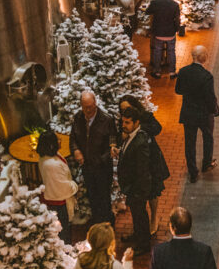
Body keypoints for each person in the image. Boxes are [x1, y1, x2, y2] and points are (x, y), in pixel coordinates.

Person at [119, 95, 168, 234]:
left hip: (150, 157)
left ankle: (154, 218)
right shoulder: (124, 121)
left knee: (153, 191)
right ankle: (141, 227)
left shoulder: (143, 117)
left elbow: (157, 128)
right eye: (122, 110)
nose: (124, 112)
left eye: (127, 108)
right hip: (134, 159)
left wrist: (138, 128)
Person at [69, 90, 118, 226]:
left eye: (90, 106)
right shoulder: (78, 117)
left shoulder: (107, 120)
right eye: (85, 107)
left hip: (102, 168)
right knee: (92, 196)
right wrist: (76, 150)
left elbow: (113, 144)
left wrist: (100, 160)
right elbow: (73, 138)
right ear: (81, 105)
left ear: (95, 103)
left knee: (104, 198)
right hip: (87, 167)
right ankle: (97, 222)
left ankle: (108, 224)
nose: (88, 110)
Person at [175, 46, 219, 183]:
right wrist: (215, 110)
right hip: (204, 114)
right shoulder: (207, 76)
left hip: (188, 112)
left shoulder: (183, 72)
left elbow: (178, 90)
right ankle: (206, 163)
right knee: (208, 138)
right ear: (203, 57)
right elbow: (210, 97)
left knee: (190, 143)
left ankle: (193, 171)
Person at [115, 106, 155, 254]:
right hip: (131, 186)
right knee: (136, 214)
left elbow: (142, 170)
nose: (123, 125)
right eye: (123, 122)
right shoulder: (130, 136)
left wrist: (139, 191)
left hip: (137, 188)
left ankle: (143, 244)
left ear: (136, 123)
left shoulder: (140, 142)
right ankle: (137, 235)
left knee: (140, 216)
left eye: (127, 123)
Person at [36, 130, 78, 243]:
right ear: (51, 144)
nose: (60, 141)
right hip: (58, 203)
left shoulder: (48, 157)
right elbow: (64, 189)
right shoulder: (52, 165)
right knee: (63, 234)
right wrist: (74, 186)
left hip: (55, 199)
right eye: (57, 140)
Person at [144, 0, 181, 78]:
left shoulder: (155, 3)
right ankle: (172, 72)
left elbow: (147, 12)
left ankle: (157, 72)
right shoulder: (175, 5)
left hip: (158, 32)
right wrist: (177, 29)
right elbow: (177, 20)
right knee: (171, 51)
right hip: (170, 33)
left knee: (157, 51)